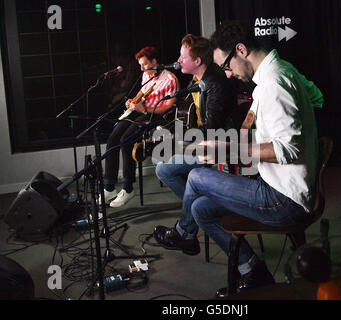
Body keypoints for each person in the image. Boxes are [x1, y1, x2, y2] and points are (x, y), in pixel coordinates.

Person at [153, 21, 324, 297]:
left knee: (196, 176)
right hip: (277, 186)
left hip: (284, 199)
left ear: (241, 50)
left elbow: (288, 150)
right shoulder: (277, 75)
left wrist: (232, 150)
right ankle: (253, 271)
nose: (228, 75)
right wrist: (224, 143)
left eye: (227, 66)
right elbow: (316, 99)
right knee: (201, 209)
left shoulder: (274, 83)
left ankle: (185, 234)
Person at [154, 34, 238, 201]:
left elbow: (213, 128)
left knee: (163, 170)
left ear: (197, 61)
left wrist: (177, 138)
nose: (178, 60)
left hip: (219, 143)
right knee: (159, 158)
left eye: (183, 57)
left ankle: (196, 206)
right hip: (200, 138)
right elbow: (184, 108)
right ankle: (199, 199)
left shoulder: (215, 82)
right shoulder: (196, 80)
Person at [102, 46, 179, 208]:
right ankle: (109, 186)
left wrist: (145, 109)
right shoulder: (146, 75)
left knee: (125, 141)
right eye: (140, 65)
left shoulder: (170, 79)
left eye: (144, 64)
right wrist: (133, 101)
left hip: (154, 115)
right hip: (139, 112)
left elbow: (169, 107)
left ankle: (128, 188)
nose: (142, 68)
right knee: (112, 139)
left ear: (154, 62)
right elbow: (142, 92)